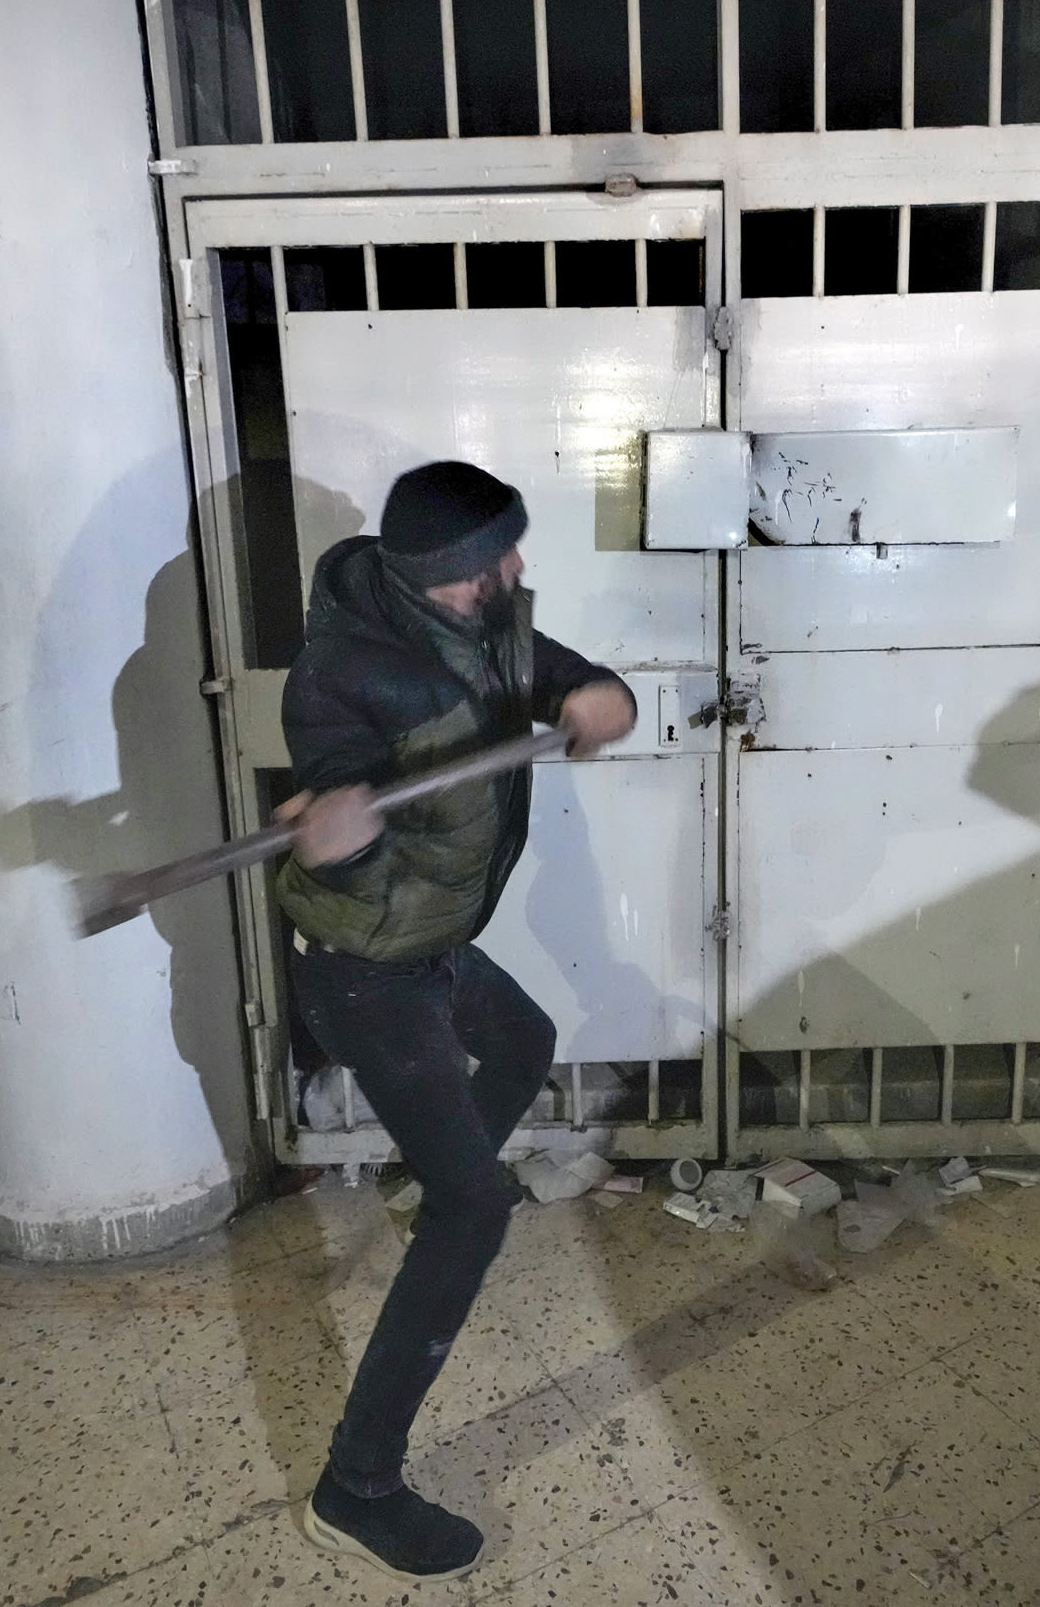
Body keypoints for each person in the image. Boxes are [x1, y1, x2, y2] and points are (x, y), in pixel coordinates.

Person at [273, 460, 636, 1582]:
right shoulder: (339, 670)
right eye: (496, 559)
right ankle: (356, 1484)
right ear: (442, 576)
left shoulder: (488, 620)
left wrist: (591, 691)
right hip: (363, 962)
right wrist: (335, 825)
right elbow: (333, 794)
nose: (517, 569)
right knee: (478, 1211)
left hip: (425, 940)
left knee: (523, 1040)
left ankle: (431, 1187)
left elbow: (557, 673)